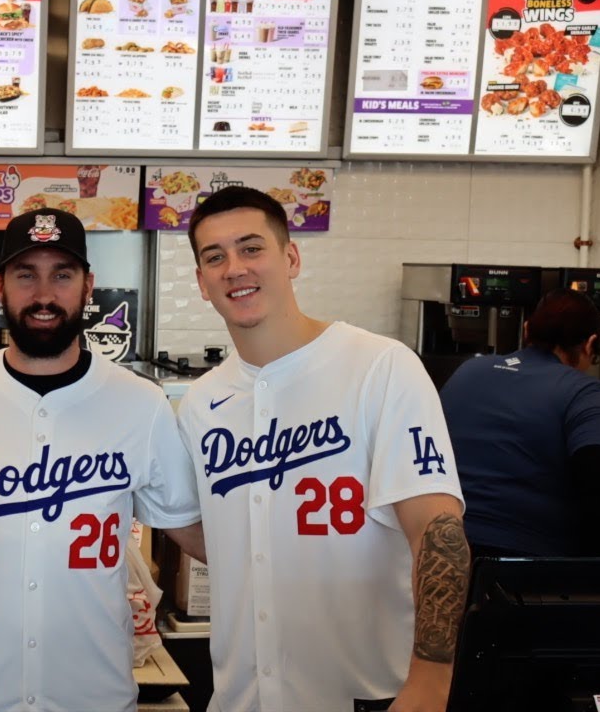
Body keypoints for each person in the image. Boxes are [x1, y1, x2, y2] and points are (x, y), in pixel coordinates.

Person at [176, 186, 470, 712]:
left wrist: (431, 682)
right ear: (201, 282)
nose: (234, 269)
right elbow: (215, 532)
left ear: (291, 258)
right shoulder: (201, 402)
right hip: (240, 700)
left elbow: (437, 530)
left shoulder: (380, 367)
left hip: (367, 696)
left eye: (251, 248)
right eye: (214, 257)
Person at [0, 208, 206, 712]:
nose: (44, 295)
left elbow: (192, 531)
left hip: (95, 694)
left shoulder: (142, 404)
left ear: (88, 286)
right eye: (26, 275)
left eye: (62, 275)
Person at [440, 288, 600, 558]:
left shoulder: (468, 371)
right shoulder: (590, 396)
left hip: (442, 553)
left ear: (527, 330)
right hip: (524, 565)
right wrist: (586, 573)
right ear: (590, 344)